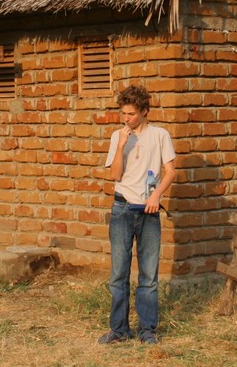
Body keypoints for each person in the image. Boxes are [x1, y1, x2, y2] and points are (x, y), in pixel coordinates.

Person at [98, 85, 176, 346]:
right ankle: (119, 330)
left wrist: (156, 196)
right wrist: (121, 145)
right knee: (119, 273)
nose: (126, 118)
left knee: (149, 276)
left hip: (148, 210)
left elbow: (171, 171)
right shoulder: (117, 136)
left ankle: (147, 330)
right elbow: (115, 175)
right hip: (121, 208)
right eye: (123, 113)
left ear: (144, 111)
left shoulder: (160, 135)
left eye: (131, 114)